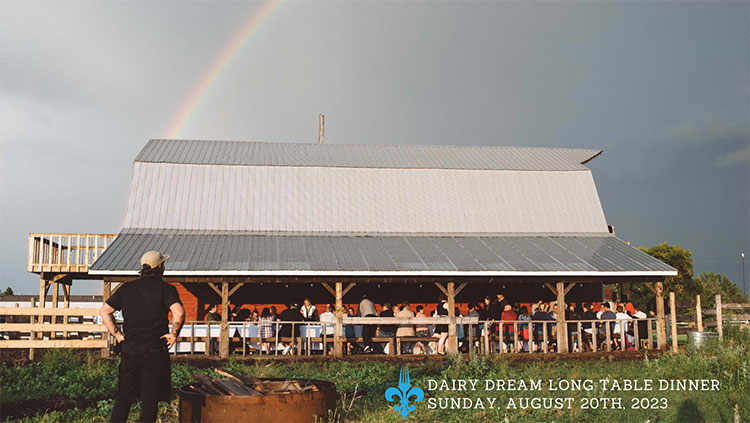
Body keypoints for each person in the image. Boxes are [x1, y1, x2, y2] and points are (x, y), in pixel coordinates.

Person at [99, 251, 184, 423]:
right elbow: (179, 313)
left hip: (130, 349)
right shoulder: (166, 289)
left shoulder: (126, 288)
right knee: (149, 399)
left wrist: (117, 334)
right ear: (160, 267)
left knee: (124, 396)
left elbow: (105, 312)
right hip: (155, 350)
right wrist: (174, 334)